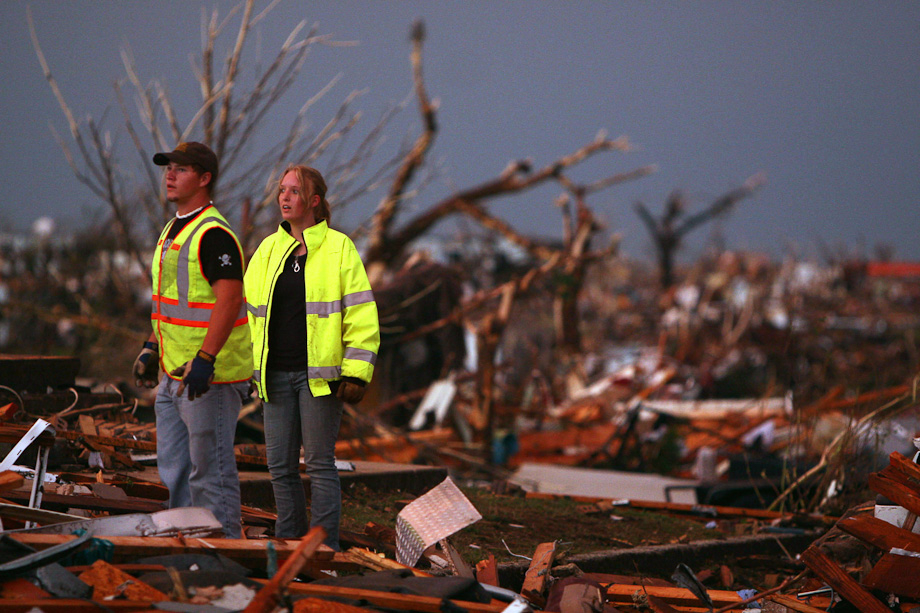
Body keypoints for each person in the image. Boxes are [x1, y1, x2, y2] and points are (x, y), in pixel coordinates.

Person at [244, 165, 379, 549]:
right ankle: (290, 546)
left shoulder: (339, 247)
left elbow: (361, 314)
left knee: (320, 465)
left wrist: (356, 373)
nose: (284, 197)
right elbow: (247, 316)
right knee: (280, 469)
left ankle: (322, 548)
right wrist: (242, 369)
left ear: (314, 201)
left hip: (319, 377)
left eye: (293, 191)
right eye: (281, 190)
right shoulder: (268, 251)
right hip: (274, 377)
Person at [132, 141, 251, 539]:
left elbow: (230, 298)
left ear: (204, 179)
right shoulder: (174, 228)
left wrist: (205, 358)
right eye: (169, 167)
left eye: (181, 169)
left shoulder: (214, 233)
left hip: (206, 379)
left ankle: (225, 552)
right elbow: (171, 302)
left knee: (210, 471)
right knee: (176, 470)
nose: (170, 174)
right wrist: (152, 347)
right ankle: (185, 547)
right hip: (173, 372)